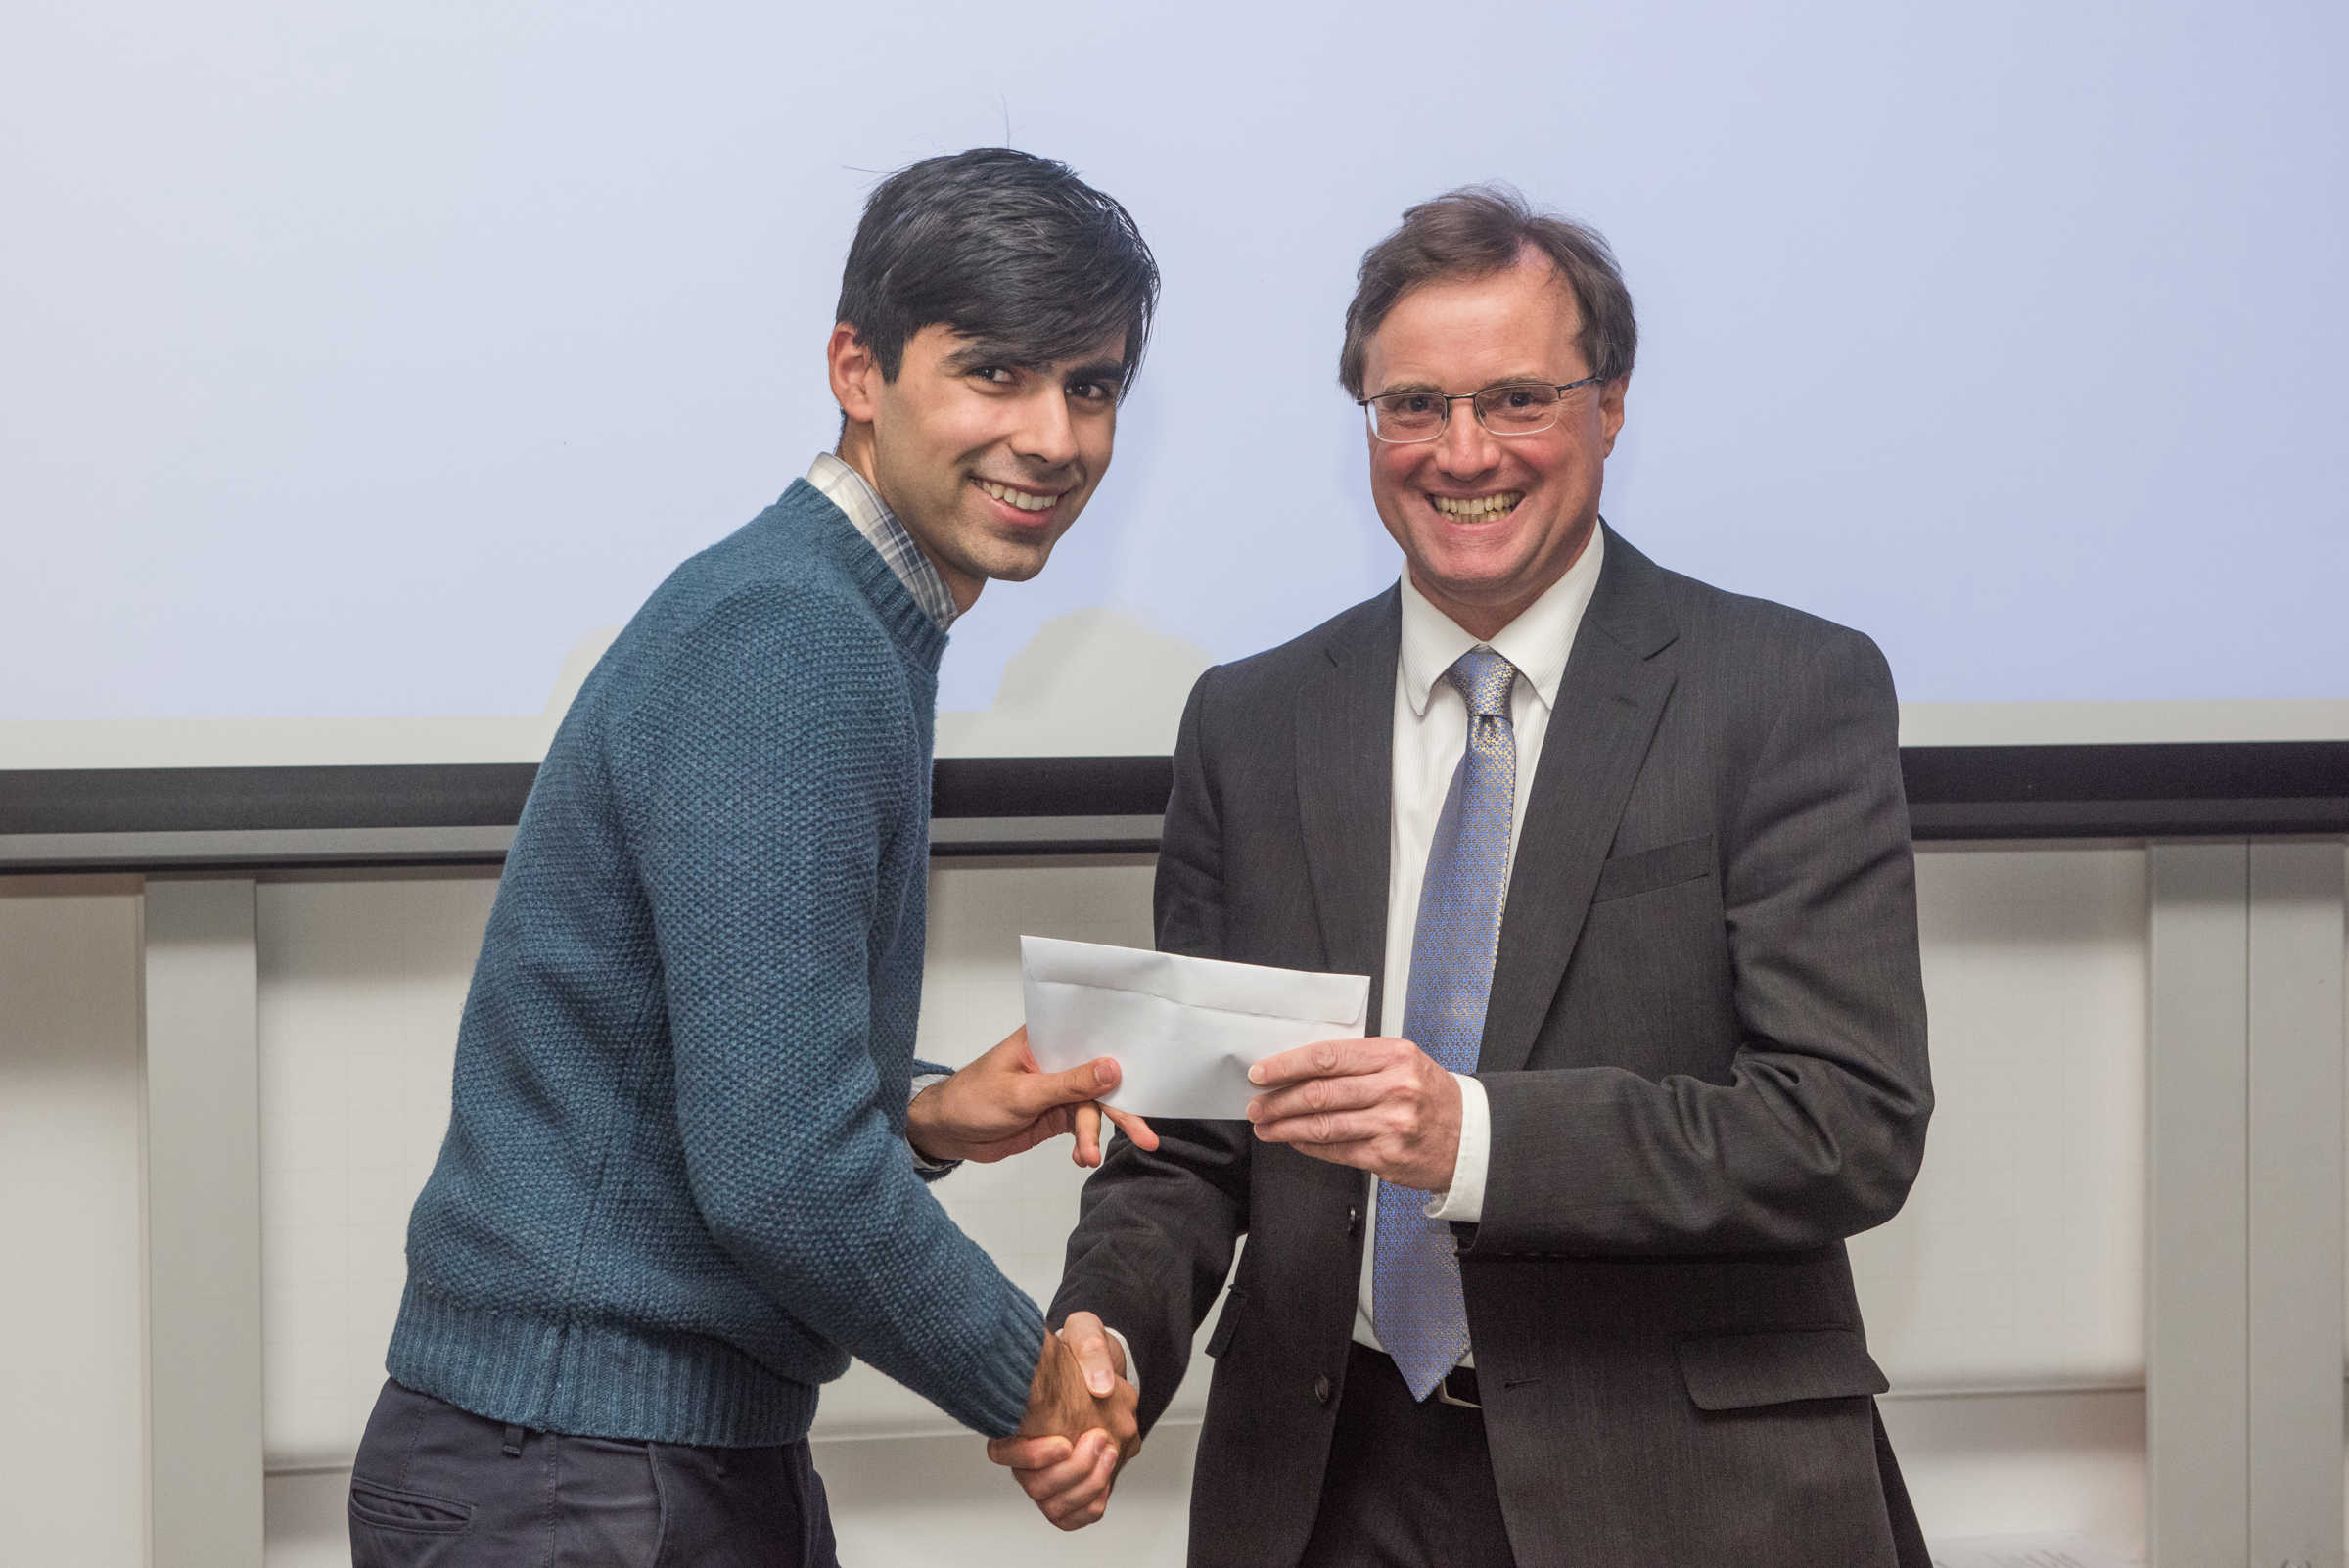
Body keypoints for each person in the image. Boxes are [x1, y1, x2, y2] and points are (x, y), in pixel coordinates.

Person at [993, 186, 1935, 1565]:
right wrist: (1108, 1328)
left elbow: (1845, 1122)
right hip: (1326, 1485)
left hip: (1681, 1494)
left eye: (1517, 399)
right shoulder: (1249, 725)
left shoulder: (1786, 691)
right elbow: (1189, 1139)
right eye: (1412, 406)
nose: (1462, 451)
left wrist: (1475, 1139)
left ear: (1610, 407)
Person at [348, 148, 1159, 1567]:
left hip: (610, 1462)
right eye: (997, 374)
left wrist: (912, 1117)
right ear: (861, 370)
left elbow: (712, 1078)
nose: (1052, 435)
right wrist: (1025, 1376)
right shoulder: (795, 640)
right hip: (583, 1476)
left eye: (1089, 386)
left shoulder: (839, 613)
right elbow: (781, 1173)